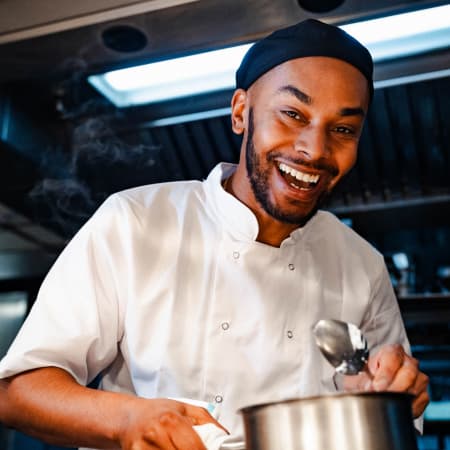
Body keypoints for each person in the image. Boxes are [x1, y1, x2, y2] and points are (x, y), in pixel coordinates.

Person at [0, 18, 429, 450]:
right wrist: (127, 418)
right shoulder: (137, 221)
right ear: (241, 112)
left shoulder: (363, 266)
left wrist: (391, 401)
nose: (314, 150)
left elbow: (398, 427)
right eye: (293, 114)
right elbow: (17, 391)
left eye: (342, 129)